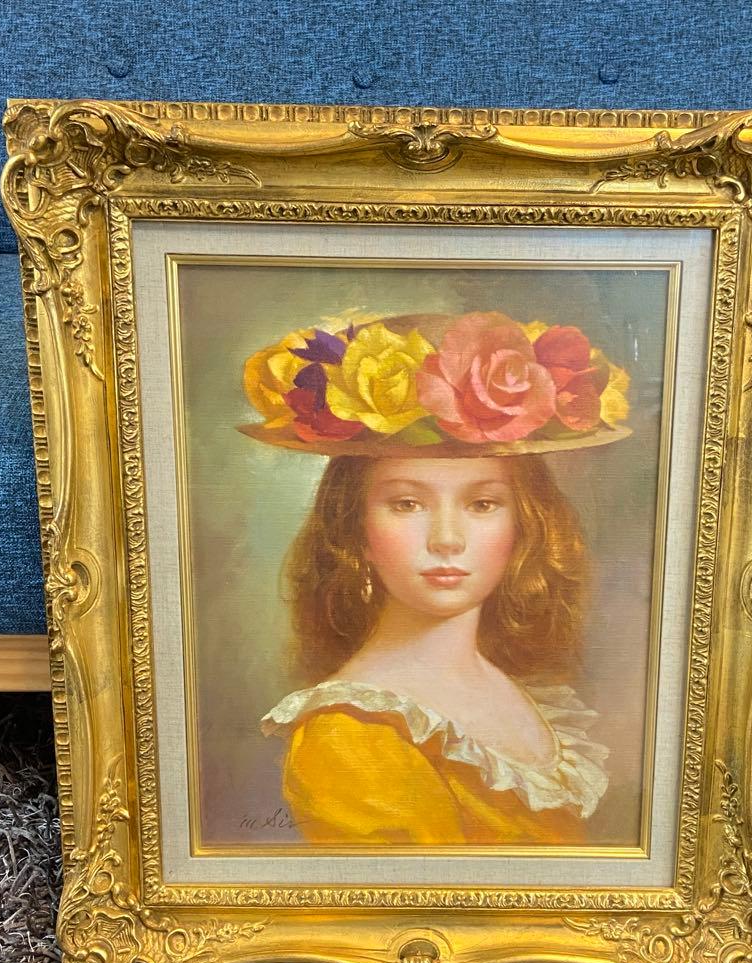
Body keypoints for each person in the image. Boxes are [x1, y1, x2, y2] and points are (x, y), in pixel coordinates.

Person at [238, 310, 633, 845]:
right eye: (407, 503)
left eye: (482, 503)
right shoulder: (352, 733)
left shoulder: (512, 691)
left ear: (523, 524)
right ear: (355, 529)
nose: (447, 539)